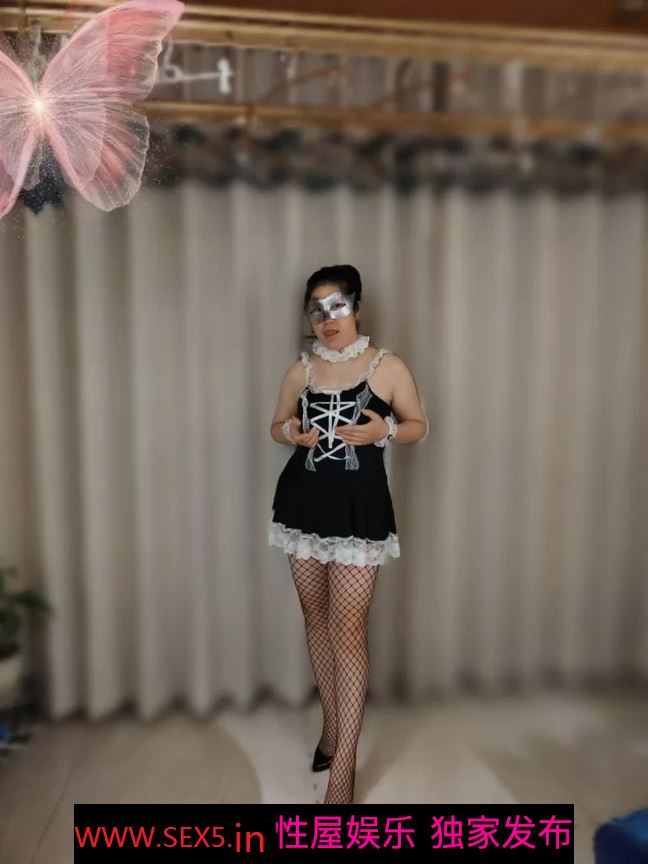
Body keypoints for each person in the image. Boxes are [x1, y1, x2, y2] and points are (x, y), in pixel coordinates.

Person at [268, 264, 428, 804]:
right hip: (302, 503)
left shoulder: (388, 367)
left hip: (360, 510)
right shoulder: (300, 371)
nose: (327, 318)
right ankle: (331, 728)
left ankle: (344, 768)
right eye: (316, 309)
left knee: (349, 627)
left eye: (337, 305)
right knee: (315, 616)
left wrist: (387, 429)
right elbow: (276, 426)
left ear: (356, 306)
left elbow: (419, 425)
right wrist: (292, 433)